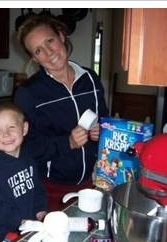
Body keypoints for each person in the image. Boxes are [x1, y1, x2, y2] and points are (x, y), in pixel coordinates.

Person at [14, 15, 109, 211]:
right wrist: (67, 142)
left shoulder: (90, 78)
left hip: (93, 183)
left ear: (61, 36)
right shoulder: (28, 93)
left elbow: (104, 120)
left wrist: (102, 132)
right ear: (34, 58)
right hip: (51, 190)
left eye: (50, 41)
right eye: (38, 50)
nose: (49, 52)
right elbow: (26, 148)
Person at [0, 102, 47, 242]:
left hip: (29, 227)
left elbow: (37, 189)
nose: (6, 134)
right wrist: (19, 221)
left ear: (24, 128)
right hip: (3, 236)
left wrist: (41, 211)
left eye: (12, 127)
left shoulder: (28, 158)